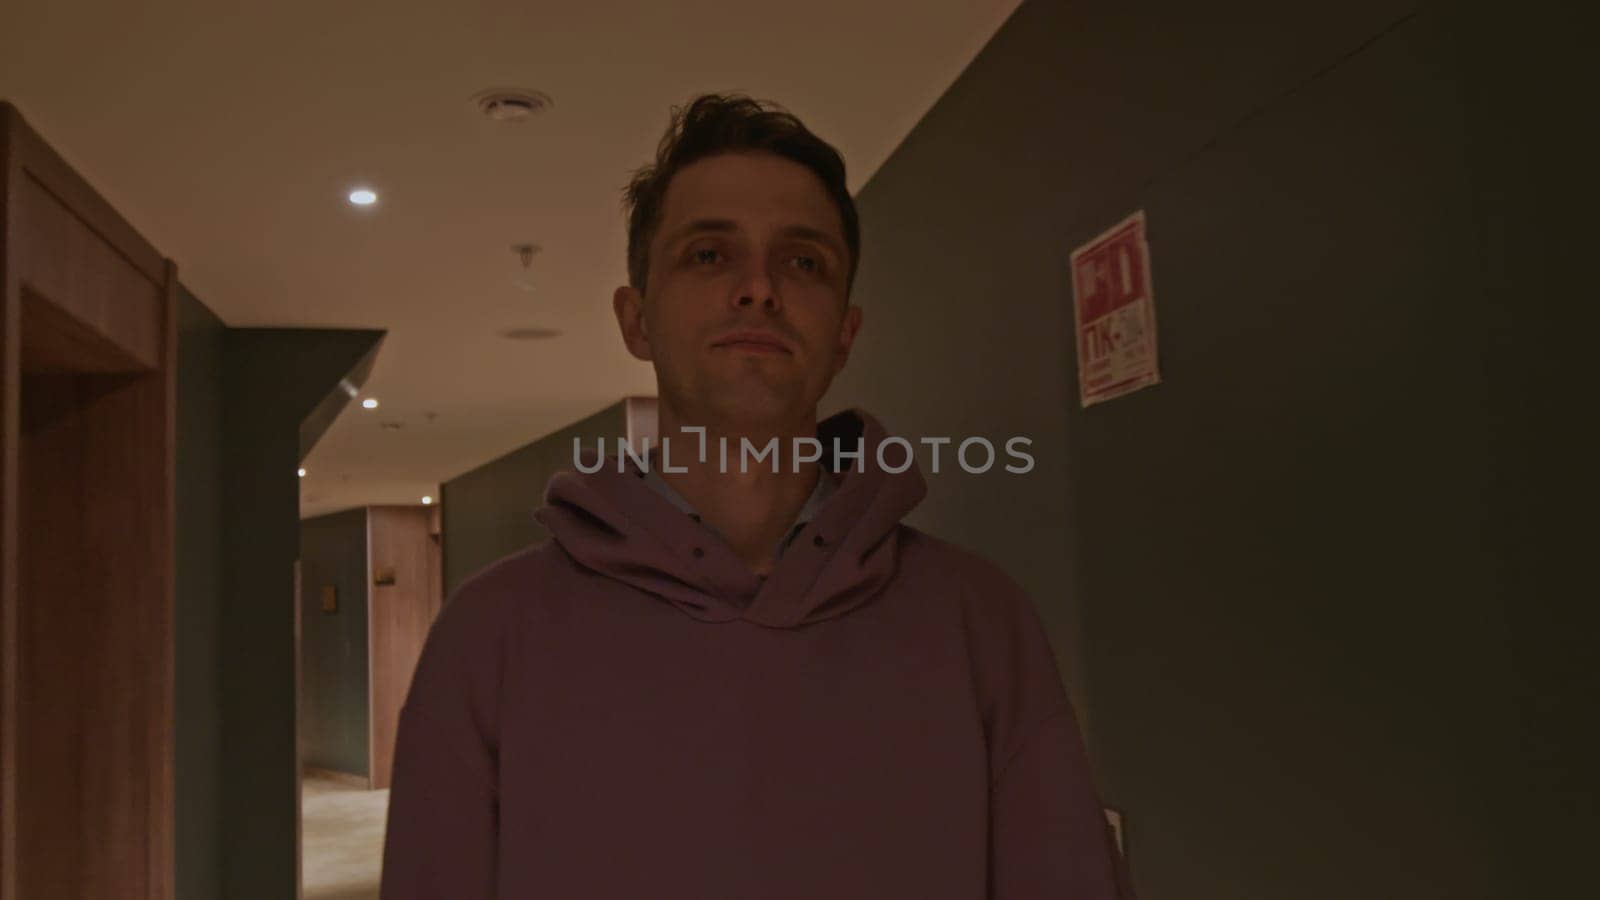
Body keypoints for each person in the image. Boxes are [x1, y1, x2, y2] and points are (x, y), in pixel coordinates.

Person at [380, 93, 1132, 899]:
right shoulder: (488, 637)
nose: (758, 288)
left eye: (803, 261)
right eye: (708, 255)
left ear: (845, 333)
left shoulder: (982, 623)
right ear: (637, 320)